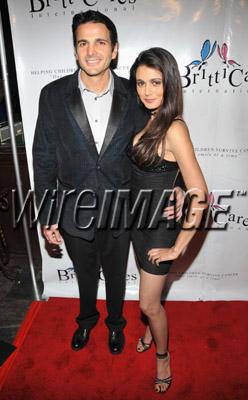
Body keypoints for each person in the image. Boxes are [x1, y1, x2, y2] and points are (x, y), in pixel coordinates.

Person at [32, 11, 184, 356]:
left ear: (114, 49)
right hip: (73, 209)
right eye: (83, 42)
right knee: (85, 273)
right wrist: (47, 214)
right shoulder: (52, 95)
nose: (91, 50)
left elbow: (160, 142)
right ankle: (86, 320)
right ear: (75, 50)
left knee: (116, 275)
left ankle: (116, 324)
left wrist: (173, 186)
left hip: (123, 208)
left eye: (100, 42)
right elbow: (43, 158)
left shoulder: (137, 94)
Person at [129, 47, 208, 393]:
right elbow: (165, 171)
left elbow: (200, 194)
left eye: (156, 82)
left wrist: (178, 247)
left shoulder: (174, 127)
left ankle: (163, 356)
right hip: (137, 223)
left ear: (170, 84)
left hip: (158, 231)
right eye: (141, 82)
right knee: (153, 297)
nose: (147, 91)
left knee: (147, 304)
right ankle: (149, 330)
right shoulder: (147, 118)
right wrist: (174, 188)